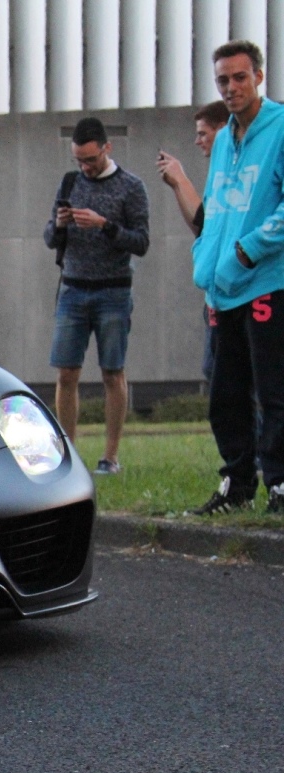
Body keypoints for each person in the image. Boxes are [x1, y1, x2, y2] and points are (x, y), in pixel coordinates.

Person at [187, 40, 284, 515]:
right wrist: (207, 260)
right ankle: (238, 484)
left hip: (268, 281)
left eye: (240, 77)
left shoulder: (281, 128)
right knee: (225, 394)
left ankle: (281, 484)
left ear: (259, 78)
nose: (231, 87)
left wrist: (246, 252)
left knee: (274, 389)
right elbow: (218, 210)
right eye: (223, 80)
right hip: (221, 290)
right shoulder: (224, 139)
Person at [43, 117, 150, 475]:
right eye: (79, 161)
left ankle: (111, 456)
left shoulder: (131, 187)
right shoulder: (70, 183)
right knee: (67, 373)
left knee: (112, 372)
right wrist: (59, 224)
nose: (85, 168)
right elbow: (48, 238)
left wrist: (105, 226)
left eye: (90, 160)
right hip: (73, 288)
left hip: (113, 291)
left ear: (108, 148)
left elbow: (141, 242)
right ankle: (69, 455)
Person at [157, 100, 230, 383]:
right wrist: (177, 185)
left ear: (222, 130)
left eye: (203, 133)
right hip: (215, 291)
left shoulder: (233, 170)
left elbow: (205, 222)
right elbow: (201, 230)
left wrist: (182, 179)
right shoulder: (219, 170)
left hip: (234, 290)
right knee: (213, 371)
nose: (197, 140)